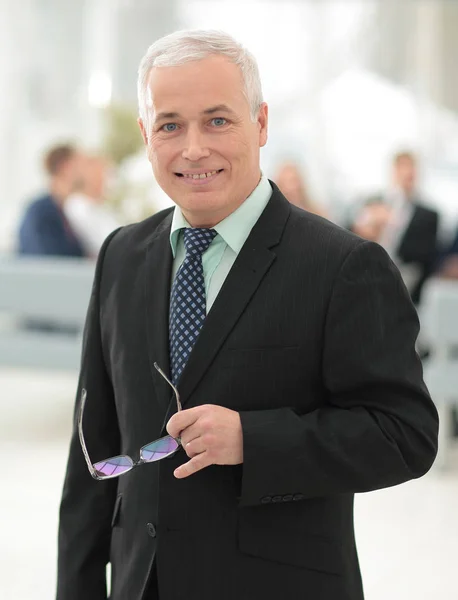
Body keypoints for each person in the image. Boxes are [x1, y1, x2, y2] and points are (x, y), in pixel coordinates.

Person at [57, 30, 438, 600]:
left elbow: (406, 435)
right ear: (146, 136)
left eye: (217, 121)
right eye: (170, 125)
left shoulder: (344, 266)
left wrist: (253, 440)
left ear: (260, 125)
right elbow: (93, 450)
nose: (192, 148)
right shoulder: (121, 256)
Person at [351, 151, 439, 304]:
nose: (406, 174)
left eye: (410, 170)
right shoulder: (373, 201)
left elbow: (426, 255)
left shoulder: (428, 215)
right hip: (368, 272)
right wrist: (371, 222)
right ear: (393, 171)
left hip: (405, 279)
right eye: (401, 169)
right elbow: (353, 234)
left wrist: (399, 224)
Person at [18, 144, 86, 257]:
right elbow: (44, 261)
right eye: (81, 165)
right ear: (66, 167)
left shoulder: (67, 211)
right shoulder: (39, 212)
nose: (86, 173)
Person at [64, 155, 121, 257]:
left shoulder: (100, 208)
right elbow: (107, 244)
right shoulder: (77, 206)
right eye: (103, 173)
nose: (107, 181)